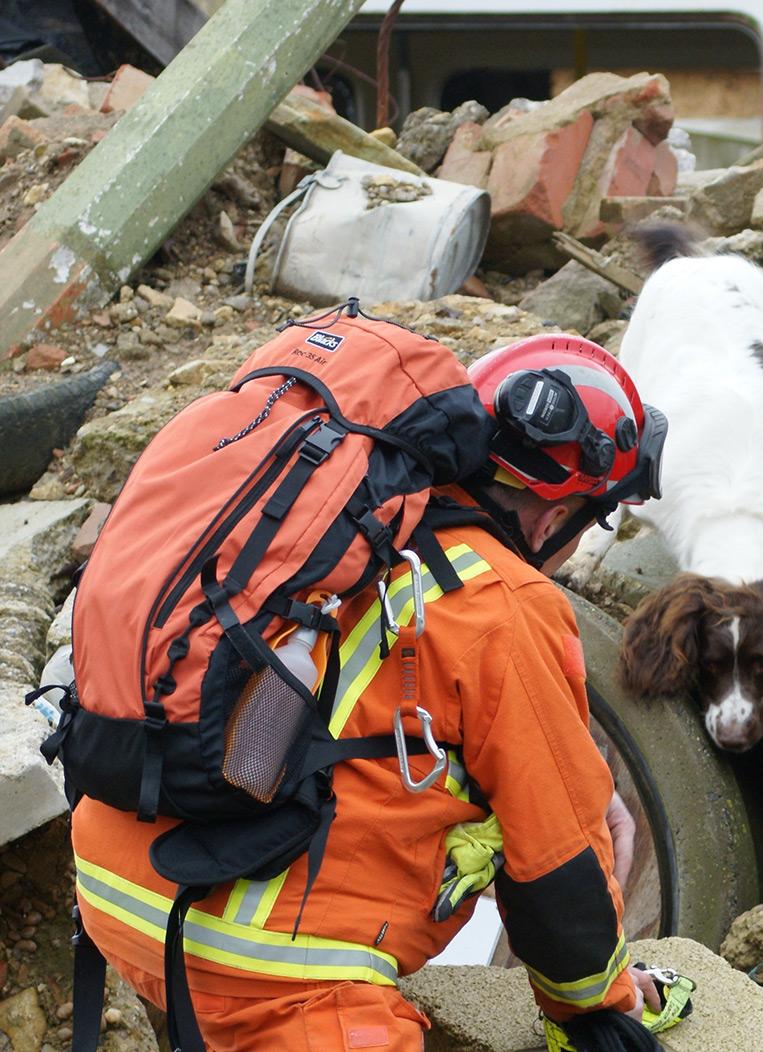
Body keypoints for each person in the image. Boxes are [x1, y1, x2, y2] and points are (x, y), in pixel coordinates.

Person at [69, 332, 669, 1052]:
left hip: (114, 891)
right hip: (269, 965)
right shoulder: (507, 601)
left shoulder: (333, 526)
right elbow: (558, 859)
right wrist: (601, 1008)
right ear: (554, 515)